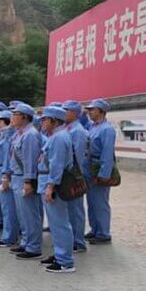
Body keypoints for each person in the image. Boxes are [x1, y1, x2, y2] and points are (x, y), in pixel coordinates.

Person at [1, 103, 43, 260]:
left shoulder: (30, 134)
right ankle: (26, 242)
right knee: (22, 214)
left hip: (24, 177)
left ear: (24, 117)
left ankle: (34, 247)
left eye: (15, 114)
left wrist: (28, 181)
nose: (12, 117)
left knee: (30, 214)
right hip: (17, 176)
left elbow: (30, 161)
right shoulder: (19, 133)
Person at [37, 106, 76, 273]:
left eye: (44, 119)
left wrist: (51, 186)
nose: (42, 122)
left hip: (55, 184)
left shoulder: (59, 138)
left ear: (54, 121)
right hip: (50, 181)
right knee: (55, 223)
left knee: (59, 223)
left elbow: (57, 165)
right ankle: (59, 254)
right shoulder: (57, 136)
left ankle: (65, 261)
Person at [85, 98, 117, 244]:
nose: (89, 112)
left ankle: (103, 233)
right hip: (90, 166)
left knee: (100, 202)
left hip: (99, 166)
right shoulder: (93, 127)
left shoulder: (107, 129)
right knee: (92, 201)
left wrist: (104, 174)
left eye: (92, 109)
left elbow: (107, 153)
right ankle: (95, 229)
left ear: (101, 111)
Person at [63, 100, 89, 253]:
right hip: (67, 174)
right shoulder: (67, 128)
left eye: (66, 111)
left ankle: (78, 242)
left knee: (75, 209)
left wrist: (73, 176)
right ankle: (71, 239)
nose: (63, 113)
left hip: (73, 175)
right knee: (69, 209)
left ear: (74, 113)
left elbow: (77, 157)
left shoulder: (77, 131)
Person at [0, 110, 20, 247]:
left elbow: (7, 159)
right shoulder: (2, 136)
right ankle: (8, 234)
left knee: (9, 208)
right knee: (6, 208)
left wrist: (5, 175)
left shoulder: (9, 137)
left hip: (5, 175)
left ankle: (9, 236)